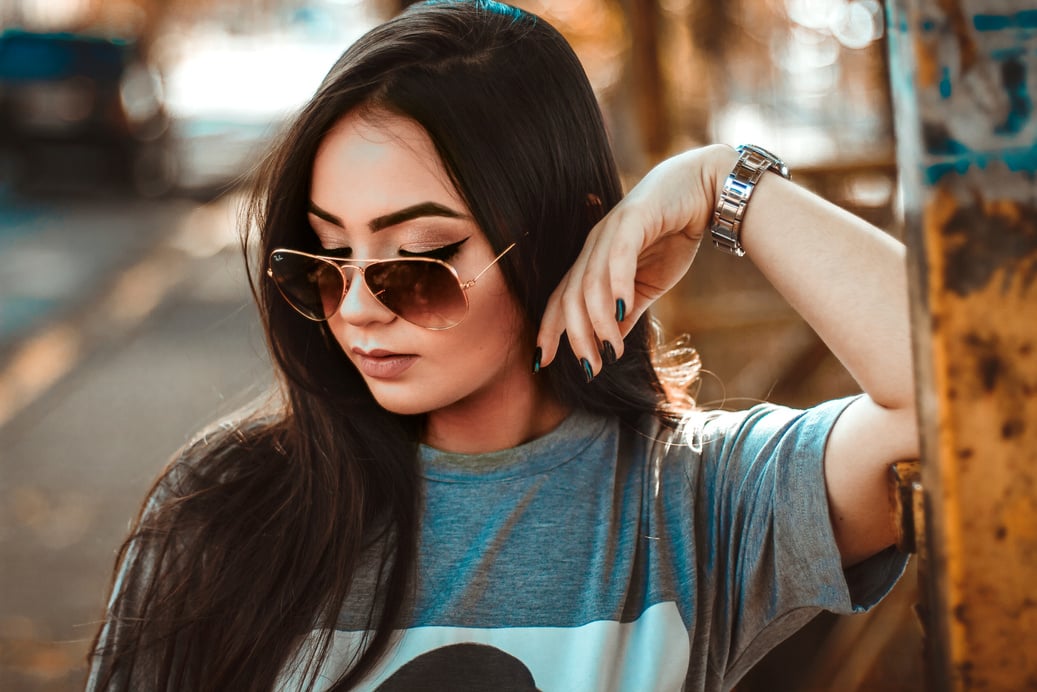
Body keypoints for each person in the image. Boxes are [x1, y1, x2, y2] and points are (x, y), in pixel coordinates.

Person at [87, 1, 918, 690]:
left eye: (418, 263)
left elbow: (972, 399)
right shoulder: (224, 505)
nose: (357, 310)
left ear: (559, 234)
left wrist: (719, 183)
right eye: (327, 259)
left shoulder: (698, 503)